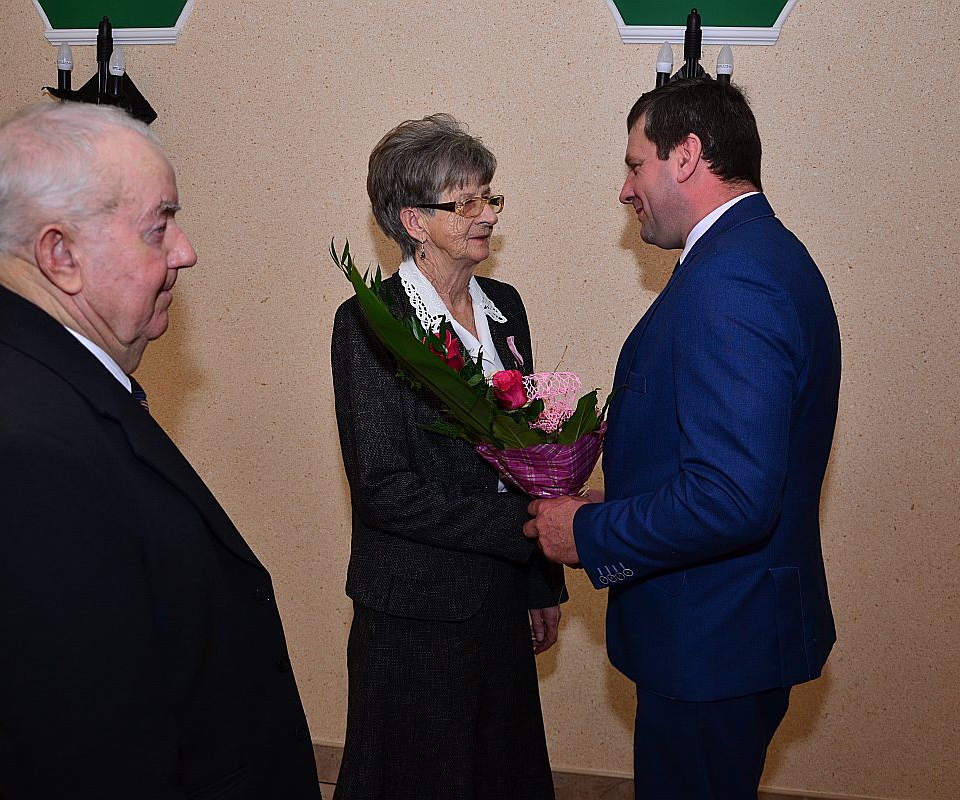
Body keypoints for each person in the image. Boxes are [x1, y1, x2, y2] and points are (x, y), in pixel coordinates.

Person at [0, 102, 321, 799]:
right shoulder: (19, 461)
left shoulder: (1, 361)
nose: (185, 251)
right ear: (60, 255)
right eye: (159, 226)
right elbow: (89, 764)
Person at [524, 78, 841, 798]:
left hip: (712, 641)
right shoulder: (756, 255)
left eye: (635, 164)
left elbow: (731, 497)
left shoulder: (732, 279)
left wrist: (590, 533)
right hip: (728, 632)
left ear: (687, 155)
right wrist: (619, 498)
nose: (625, 190)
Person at [330, 114, 565, 800]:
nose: (486, 215)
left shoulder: (506, 308)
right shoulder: (369, 323)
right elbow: (384, 487)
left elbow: (525, 457)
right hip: (415, 617)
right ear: (414, 221)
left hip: (500, 604)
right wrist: (525, 533)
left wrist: (539, 584)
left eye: (488, 197)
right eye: (464, 203)